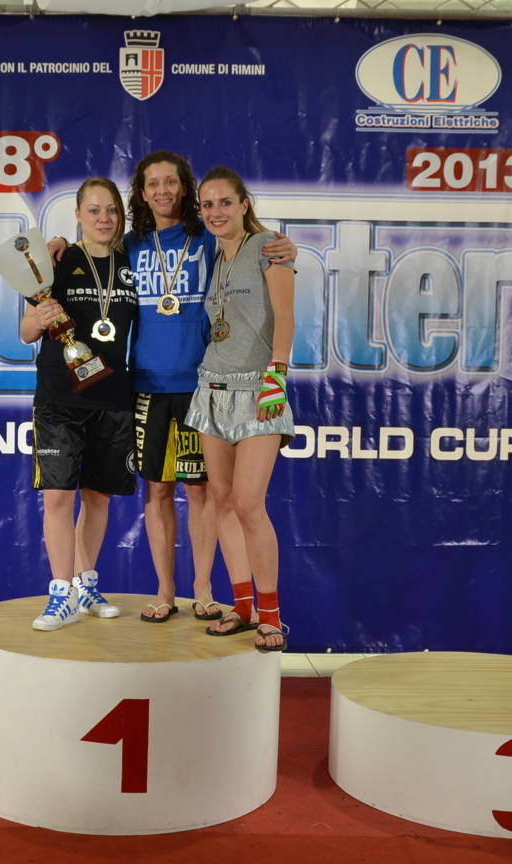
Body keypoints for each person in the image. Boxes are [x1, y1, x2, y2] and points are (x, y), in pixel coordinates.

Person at [50, 151, 293, 625]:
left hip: (202, 384)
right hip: (146, 383)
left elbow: (251, 246)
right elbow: (91, 247)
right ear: (141, 194)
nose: (162, 190)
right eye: (152, 183)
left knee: (203, 493)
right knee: (157, 492)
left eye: (171, 182)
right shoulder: (130, 244)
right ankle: (165, 591)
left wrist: (284, 246)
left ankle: (203, 590)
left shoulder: (208, 235)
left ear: (185, 188)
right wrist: (60, 241)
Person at [184, 166, 295, 652]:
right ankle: (243, 606)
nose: (216, 212)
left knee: (250, 504)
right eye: (207, 205)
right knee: (223, 502)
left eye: (225, 202)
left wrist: (277, 375)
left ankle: (271, 616)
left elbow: (286, 317)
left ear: (244, 204)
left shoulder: (269, 246)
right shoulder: (215, 256)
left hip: (258, 389)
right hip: (211, 388)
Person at [23, 178, 138, 631]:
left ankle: (86, 584)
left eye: (111, 210)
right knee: (57, 496)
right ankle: (60, 593)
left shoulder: (133, 263)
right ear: (77, 215)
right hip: (59, 397)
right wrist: (38, 318)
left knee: (97, 497)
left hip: (113, 396)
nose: (103, 219)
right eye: (94, 210)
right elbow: (26, 333)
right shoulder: (56, 260)